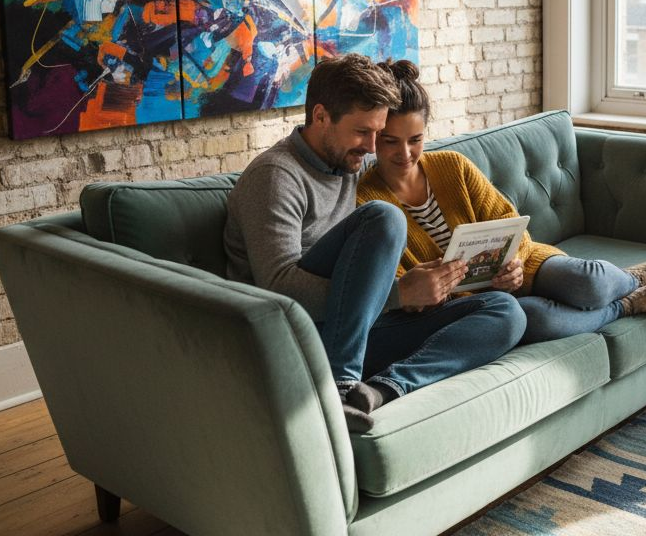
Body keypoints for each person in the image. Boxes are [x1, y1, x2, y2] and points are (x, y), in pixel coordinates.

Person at [224, 54, 527, 433]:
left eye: (376, 134)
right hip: (299, 338)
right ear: (320, 117)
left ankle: (381, 389)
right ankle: (338, 385)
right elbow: (279, 289)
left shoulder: (347, 162)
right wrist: (400, 293)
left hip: (359, 330)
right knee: (384, 217)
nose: (372, 148)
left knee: (505, 312)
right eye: (363, 132)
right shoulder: (275, 177)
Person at [357, 60, 646, 345]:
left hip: (518, 271)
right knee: (534, 320)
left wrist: (512, 264)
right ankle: (626, 305)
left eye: (416, 140)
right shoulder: (365, 200)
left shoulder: (451, 166)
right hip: (478, 306)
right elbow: (396, 283)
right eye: (390, 142)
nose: (405, 154)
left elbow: (507, 219)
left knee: (588, 281)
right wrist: (422, 293)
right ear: (374, 137)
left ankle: (632, 279)